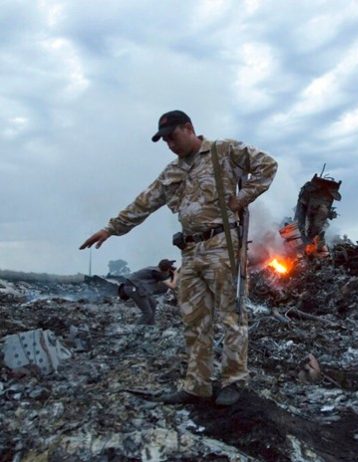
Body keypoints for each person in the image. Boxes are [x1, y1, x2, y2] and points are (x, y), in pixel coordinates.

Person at [80, 110, 277, 406]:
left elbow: (268, 165)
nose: (170, 145)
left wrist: (242, 197)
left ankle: (234, 380)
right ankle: (197, 385)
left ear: (189, 128)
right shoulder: (172, 172)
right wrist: (111, 229)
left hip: (222, 246)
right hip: (190, 251)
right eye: (165, 141)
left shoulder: (223, 151)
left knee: (231, 316)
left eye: (173, 137)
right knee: (194, 319)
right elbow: (144, 202)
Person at [118, 258, 178, 325]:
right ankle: (135, 329)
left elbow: (164, 276)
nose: (172, 268)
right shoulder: (157, 274)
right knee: (147, 313)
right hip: (134, 289)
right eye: (170, 267)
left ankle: (151, 325)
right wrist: (175, 274)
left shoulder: (155, 269)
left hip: (139, 288)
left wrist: (169, 273)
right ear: (167, 269)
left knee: (153, 304)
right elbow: (173, 286)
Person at [294, 174, 341, 248]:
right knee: (302, 226)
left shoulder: (322, 209)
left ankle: (310, 242)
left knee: (313, 229)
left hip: (313, 217)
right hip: (306, 212)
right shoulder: (308, 191)